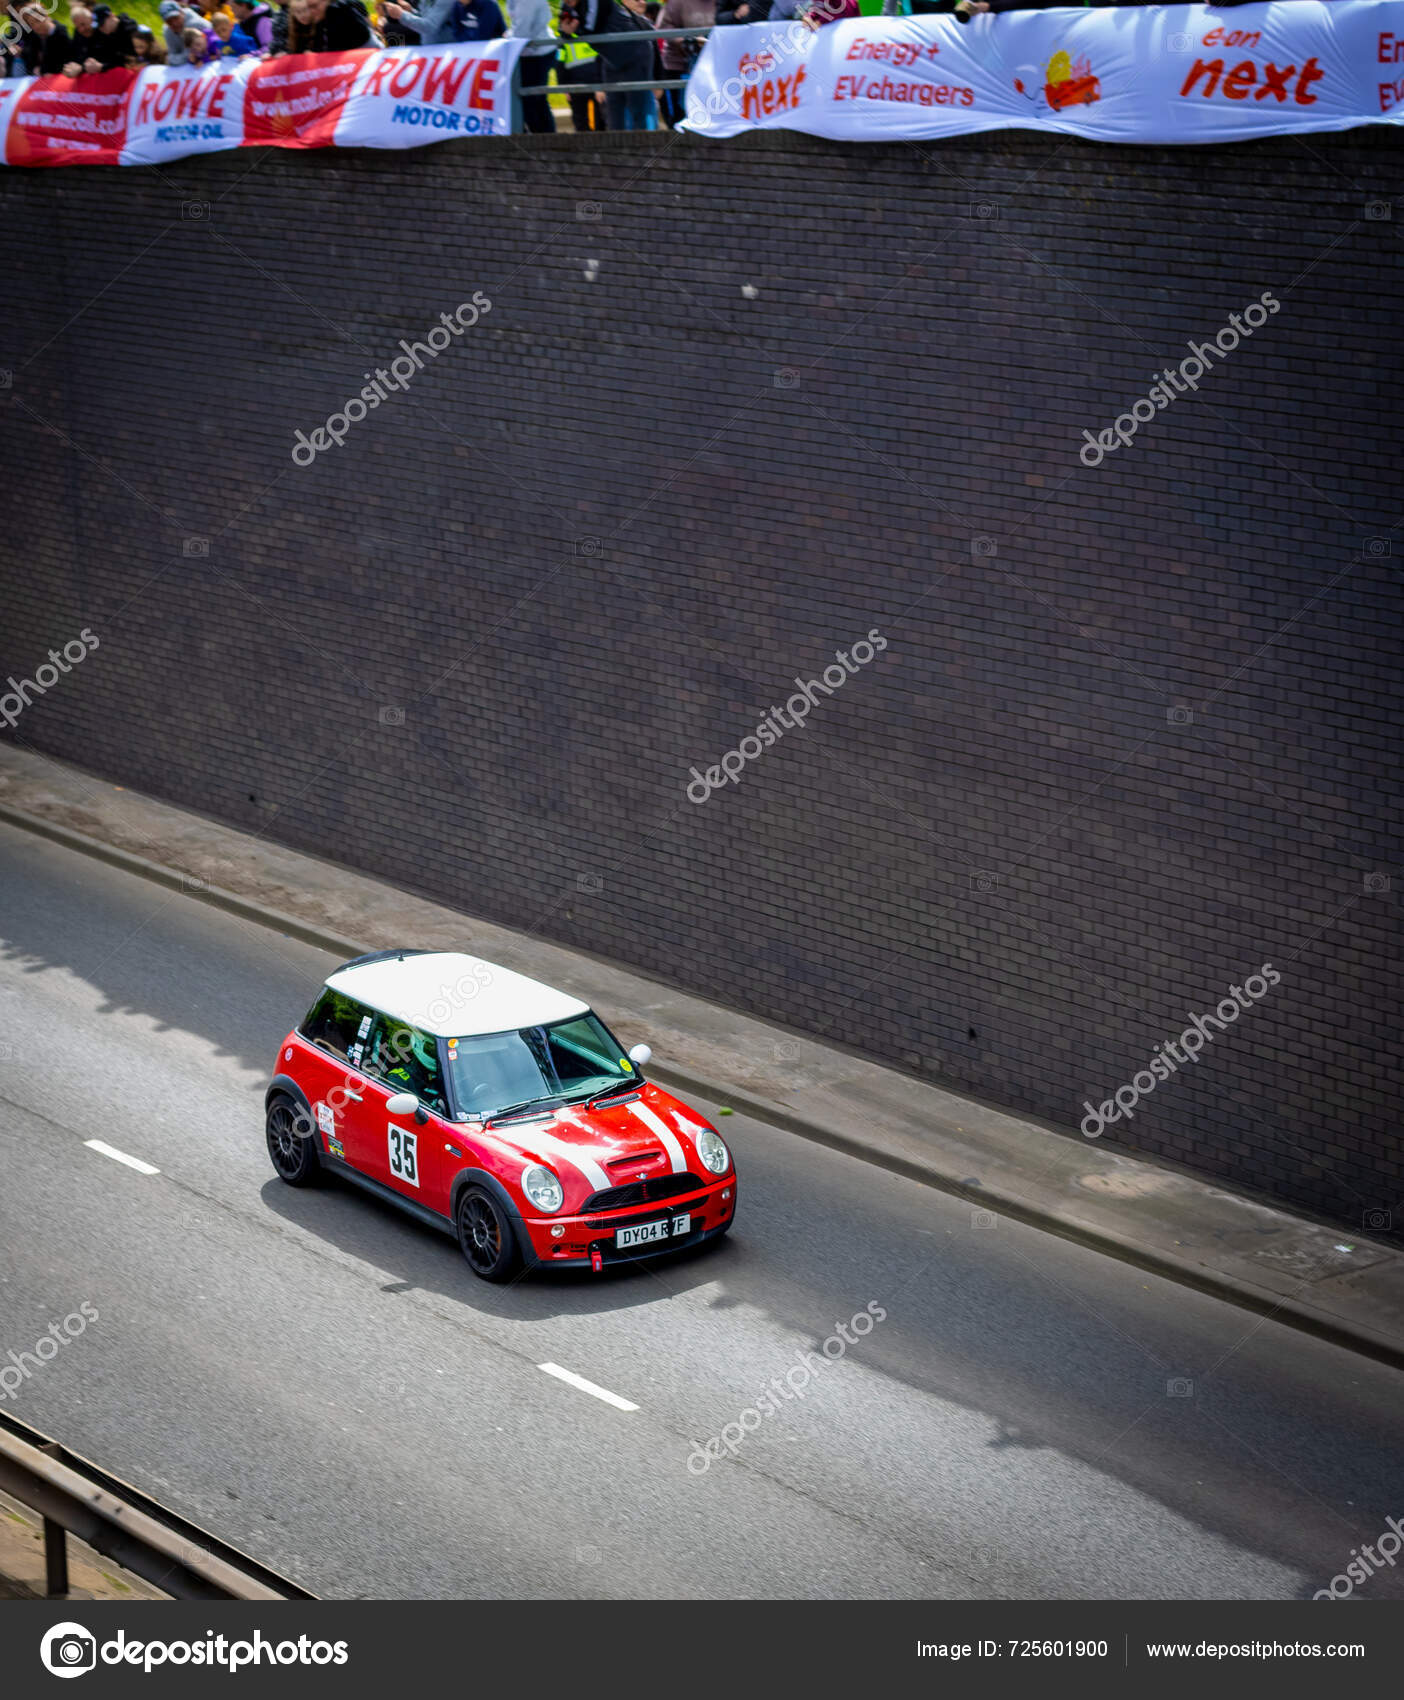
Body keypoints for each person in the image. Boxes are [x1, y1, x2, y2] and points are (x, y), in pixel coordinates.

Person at [655, 0, 709, 127]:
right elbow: (665, 28)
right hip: (678, 66)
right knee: (679, 112)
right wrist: (689, 40)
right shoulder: (675, 3)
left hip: (707, 64)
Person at [555, 0, 605, 130]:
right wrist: (564, 86)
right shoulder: (563, 40)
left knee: (600, 122)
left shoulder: (593, 30)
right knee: (580, 123)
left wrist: (601, 84)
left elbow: (603, 58)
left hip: (596, 84)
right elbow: (560, 62)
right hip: (575, 86)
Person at [507, 0, 554, 132]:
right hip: (531, 51)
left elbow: (523, 29)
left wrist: (508, 39)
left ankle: (544, 139)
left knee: (532, 101)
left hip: (537, 53)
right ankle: (545, 138)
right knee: (535, 102)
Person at [270, 0, 374, 53]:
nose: (311, 12)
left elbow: (336, 50)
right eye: (309, 7)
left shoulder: (338, 11)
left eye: (314, 6)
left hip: (366, 54)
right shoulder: (319, 18)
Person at [382, 0, 503, 44]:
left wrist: (402, 15)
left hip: (446, 53)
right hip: (432, 52)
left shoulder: (487, 4)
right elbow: (425, 18)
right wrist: (411, 12)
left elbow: (430, 27)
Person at [8, 3, 73, 72]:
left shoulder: (61, 33)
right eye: (32, 24)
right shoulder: (35, 36)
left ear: (46, 16)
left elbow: (62, 61)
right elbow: (32, 58)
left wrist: (42, 70)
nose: (36, 26)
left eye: (38, 21)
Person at [62, 3, 103, 71]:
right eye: (78, 27)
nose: (81, 29)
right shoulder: (78, 34)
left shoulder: (101, 29)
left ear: (91, 19)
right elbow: (76, 56)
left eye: (83, 24)